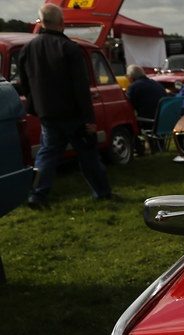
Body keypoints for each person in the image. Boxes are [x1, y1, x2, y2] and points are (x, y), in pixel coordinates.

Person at [17, 3, 111, 207]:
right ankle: (102, 192)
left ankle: (37, 195)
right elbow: (80, 87)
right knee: (88, 155)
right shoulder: (69, 48)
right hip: (73, 113)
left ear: (41, 22)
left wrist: (34, 106)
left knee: (47, 155)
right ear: (62, 23)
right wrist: (89, 119)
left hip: (47, 113)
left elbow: (23, 83)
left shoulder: (28, 49)